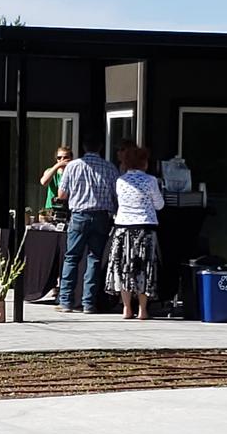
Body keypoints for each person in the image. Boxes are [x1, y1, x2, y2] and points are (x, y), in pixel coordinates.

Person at [56, 134, 119, 314]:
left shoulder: (73, 166)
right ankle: (88, 303)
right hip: (101, 216)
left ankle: (66, 301)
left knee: (72, 257)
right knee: (94, 258)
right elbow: (116, 194)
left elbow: (61, 195)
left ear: (83, 148)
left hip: (79, 215)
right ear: (100, 148)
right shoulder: (109, 167)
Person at [106, 146, 164, 320]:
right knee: (144, 269)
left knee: (124, 267)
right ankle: (142, 310)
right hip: (145, 227)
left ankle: (126, 308)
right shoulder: (151, 180)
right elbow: (159, 204)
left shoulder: (120, 180)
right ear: (144, 162)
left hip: (123, 227)